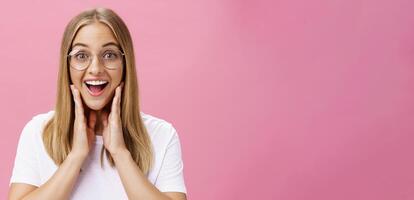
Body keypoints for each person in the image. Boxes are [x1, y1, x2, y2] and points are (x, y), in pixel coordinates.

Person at [8, 7, 187, 200]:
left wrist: (120, 153)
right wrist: (76, 156)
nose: (95, 69)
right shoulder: (38, 131)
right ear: (67, 66)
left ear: (125, 65)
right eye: (81, 55)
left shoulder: (162, 135)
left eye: (109, 55)